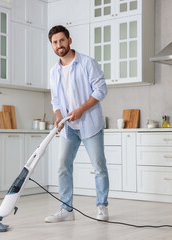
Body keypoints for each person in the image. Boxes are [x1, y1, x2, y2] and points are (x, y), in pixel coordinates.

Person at [45, 25, 109, 223]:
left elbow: (101, 90)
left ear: (69, 40)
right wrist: (58, 116)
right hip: (68, 128)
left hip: (90, 124)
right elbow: (56, 99)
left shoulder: (87, 63)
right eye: (55, 42)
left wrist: (81, 109)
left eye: (62, 40)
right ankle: (66, 210)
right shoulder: (54, 71)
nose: (59, 45)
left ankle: (102, 206)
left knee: (99, 166)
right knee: (63, 166)